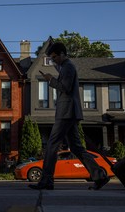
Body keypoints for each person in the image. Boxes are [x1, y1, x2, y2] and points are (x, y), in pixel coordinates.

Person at [28, 42, 110, 190]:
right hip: (69, 112)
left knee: (52, 144)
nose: (53, 61)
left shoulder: (68, 67)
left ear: (62, 54)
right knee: (77, 148)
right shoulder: (64, 67)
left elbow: (65, 87)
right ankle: (100, 175)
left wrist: (50, 80)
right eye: (51, 59)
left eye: (54, 57)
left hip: (67, 112)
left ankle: (47, 180)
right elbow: (59, 71)